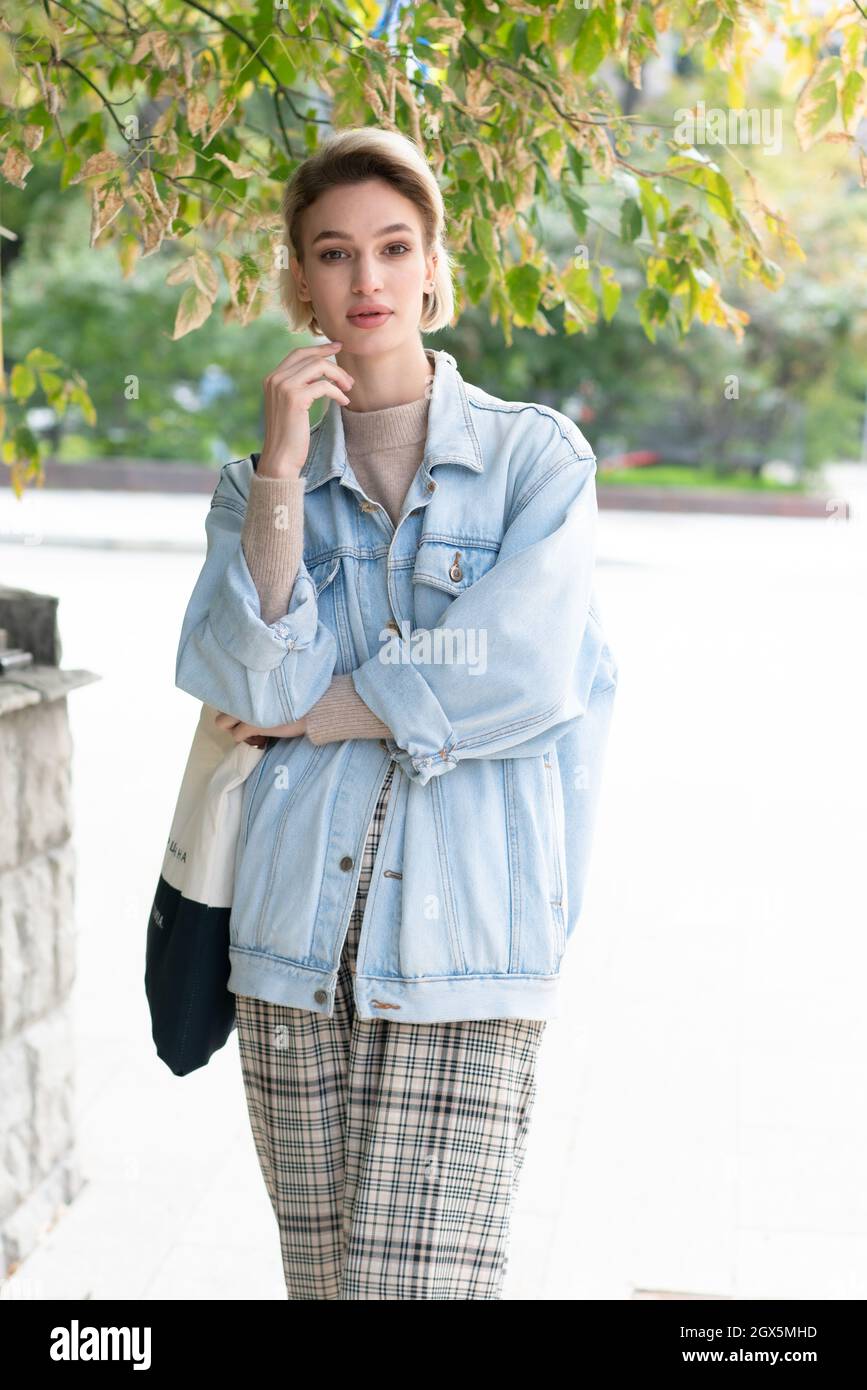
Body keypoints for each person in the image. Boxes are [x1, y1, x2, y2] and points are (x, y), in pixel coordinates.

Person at [174, 126, 619, 1300]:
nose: (365, 281)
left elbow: (526, 673)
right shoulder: (254, 486)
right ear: (299, 279)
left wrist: (334, 708)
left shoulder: (535, 464)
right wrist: (280, 472)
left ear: (433, 266)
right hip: (286, 953)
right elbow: (251, 686)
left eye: (391, 247)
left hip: (468, 950)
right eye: (333, 253)